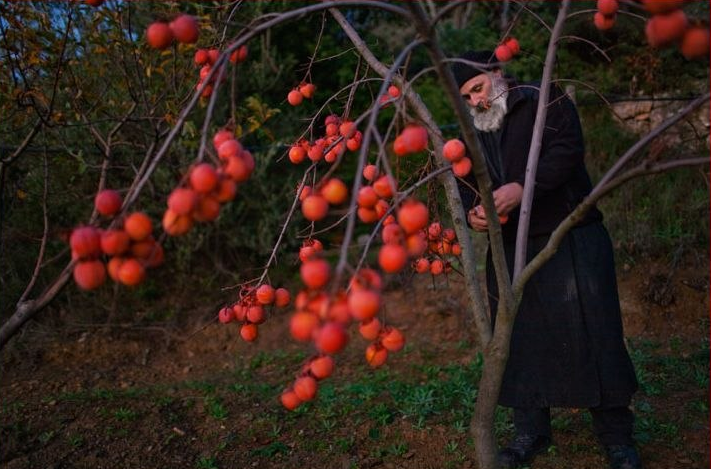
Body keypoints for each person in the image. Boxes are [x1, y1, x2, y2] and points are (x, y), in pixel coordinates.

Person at [451, 50, 641, 469]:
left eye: (478, 88)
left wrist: (523, 188)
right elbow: (463, 177)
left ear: (497, 74)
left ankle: (617, 436)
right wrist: (473, 211)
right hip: (512, 247)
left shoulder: (545, 100)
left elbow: (567, 152)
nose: (476, 102)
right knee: (519, 340)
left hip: (568, 235)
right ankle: (530, 431)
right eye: (466, 97)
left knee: (597, 333)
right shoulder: (472, 127)